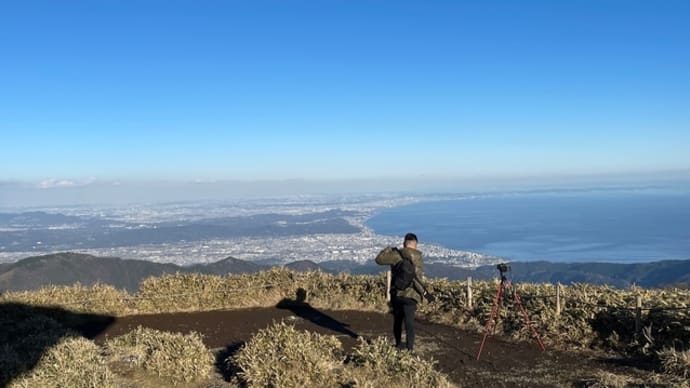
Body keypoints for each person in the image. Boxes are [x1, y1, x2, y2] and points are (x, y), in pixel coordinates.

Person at [375, 232, 432, 351]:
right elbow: (417, 278)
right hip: (412, 295)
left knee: (398, 320)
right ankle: (410, 348)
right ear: (415, 244)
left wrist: (386, 250)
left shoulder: (396, 254)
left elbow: (379, 260)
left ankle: (398, 344)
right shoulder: (418, 257)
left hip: (397, 293)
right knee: (409, 322)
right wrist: (424, 293)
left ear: (404, 243)